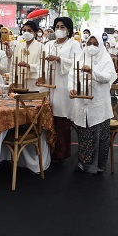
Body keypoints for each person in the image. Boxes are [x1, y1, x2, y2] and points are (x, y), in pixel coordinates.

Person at [69, 35, 117, 174]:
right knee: (84, 134)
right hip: (82, 103)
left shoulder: (106, 59)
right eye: (89, 43)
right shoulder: (80, 56)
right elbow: (71, 76)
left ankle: (98, 167)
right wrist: (71, 89)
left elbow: (107, 77)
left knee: (99, 137)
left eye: (95, 43)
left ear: (101, 45)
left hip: (99, 105)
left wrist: (92, 72)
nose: (92, 46)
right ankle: (83, 163)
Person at [36, 17, 82, 162]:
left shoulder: (74, 44)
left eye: (62, 27)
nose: (59, 29)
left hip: (63, 85)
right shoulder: (48, 44)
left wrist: (59, 59)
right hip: (48, 85)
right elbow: (40, 62)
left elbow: (77, 63)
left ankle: (61, 153)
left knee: (61, 118)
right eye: (57, 26)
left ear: (68, 30)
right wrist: (40, 76)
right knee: (46, 114)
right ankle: (46, 150)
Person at [13, 20, 44, 92]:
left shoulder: (41, 47)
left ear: (35, 33)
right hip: (19, 81)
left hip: (33, 83)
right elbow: (13, 65)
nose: (26, 32)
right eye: (24, 30)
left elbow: (43, 66)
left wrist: (29, 66)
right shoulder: (18, 46)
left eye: (29, 30)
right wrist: (12, 82)